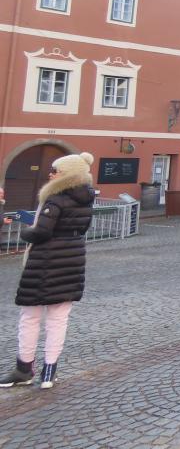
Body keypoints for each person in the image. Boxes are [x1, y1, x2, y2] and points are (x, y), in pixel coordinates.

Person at [1, 152, 95, 390]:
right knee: (58, 319)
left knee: (30, 317)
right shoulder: (86, 198)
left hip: (45, 261)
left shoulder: (55, 198)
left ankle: (24, 369)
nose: (50, 174)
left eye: (55, 171)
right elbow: (82, 227)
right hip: (73, 259)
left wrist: (26, 232)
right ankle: (49, 373)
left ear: (66, 174)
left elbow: (41, 232)